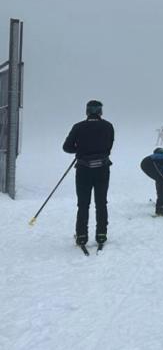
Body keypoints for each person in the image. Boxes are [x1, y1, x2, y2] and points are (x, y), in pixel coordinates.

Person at [62, 100, 114, 248]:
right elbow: (109, 147)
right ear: (100, 112)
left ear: (87, 111)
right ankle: (101, 234)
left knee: (83, 204)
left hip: (83, 170)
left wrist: (79, 150)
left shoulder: (78, 127)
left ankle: (82, 235)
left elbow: (66, 147)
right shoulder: (108, 126)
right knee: (101, 202)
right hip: (102, 169)